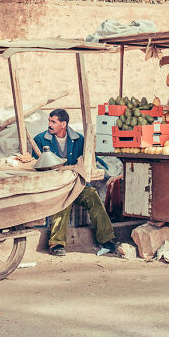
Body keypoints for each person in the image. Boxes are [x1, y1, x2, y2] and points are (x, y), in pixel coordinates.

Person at [33, 109, 116, 257]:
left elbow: (87, 161)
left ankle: (107, 240)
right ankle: (57, 243)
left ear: (63, 124)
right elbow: (35, 165)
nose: (49, 125)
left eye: (53, 122)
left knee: (93, 196)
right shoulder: (40, 140)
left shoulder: (79, 139)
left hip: (76, 184)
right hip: (56, 186)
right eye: (49, 121)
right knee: (63, 200)